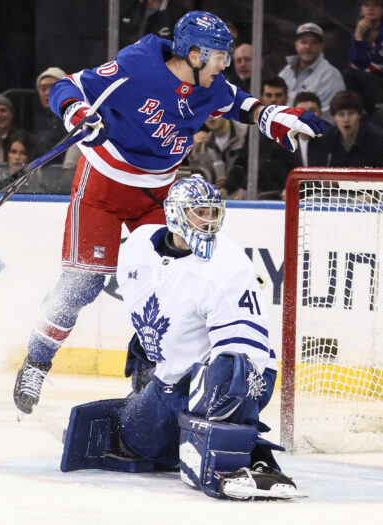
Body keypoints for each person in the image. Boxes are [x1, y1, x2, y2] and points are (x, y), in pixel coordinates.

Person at [12, 11, 325, 414]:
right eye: (219, 57)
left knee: (167, 286)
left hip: (158, 192)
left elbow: (238, 103)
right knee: (82, 284)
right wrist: (79, 114)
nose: (224, 66)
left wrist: (273, 118)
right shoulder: (137, 65)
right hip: (104, 184)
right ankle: (37, 359)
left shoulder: (208, 85)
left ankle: (148, 375)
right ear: (194, 55)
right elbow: (66, 86)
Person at [60, 175, 301, 500]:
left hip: (241, 379)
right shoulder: (138, 246)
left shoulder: (229, 266)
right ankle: (161, 434)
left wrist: (225, 432)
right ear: (174, 213)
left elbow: (249, 360)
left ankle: (249, 458)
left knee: (227, 372)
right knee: (134, 432)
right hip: (171, 381)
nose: (208, 221)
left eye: (214, 213)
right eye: (199, 212)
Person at [220, 78, 303, 200]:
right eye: (268, 95)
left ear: (286, 98)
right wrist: (226, 187)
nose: (273, 99)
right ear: (262, 98)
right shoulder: (255, 128)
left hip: (285, 195)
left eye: (278, 95)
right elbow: (243, 161)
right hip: (259, 193)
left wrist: (245, 187)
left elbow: (273, 161)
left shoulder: (294, 127)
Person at [278, 22, 346, 121]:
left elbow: (326, 116)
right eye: (303, 42)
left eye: (313, 43)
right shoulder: (286, 71)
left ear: (322, 46)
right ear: (296, 44)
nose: (308, 46)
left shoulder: (331, 75)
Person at [308, 90, 383, 168]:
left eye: (351, 113)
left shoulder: (377, 138)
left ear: (359, 115)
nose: (346, 119)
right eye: (341, 114)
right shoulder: (326, 138)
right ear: (334, 118)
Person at [343, 0, 383, 115]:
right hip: (366, 78)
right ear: (361, 9)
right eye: (366, 5)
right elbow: (357, 62)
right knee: (348, 74)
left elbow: (381, 62)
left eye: (375, 5)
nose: (370, 9)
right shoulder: (360, 29)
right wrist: (359, 36)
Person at [188, 115, 248, 187]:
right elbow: (199, 182)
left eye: (215, 111)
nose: (210, 116)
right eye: (207, 112)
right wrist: (196, 152)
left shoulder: (246, 133)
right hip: (221, 194)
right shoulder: (203, 143)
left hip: (248, 192)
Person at [33, 67, 68, 166]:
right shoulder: (36, 120)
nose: (47, 93)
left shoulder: (73, 117)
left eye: (52, 87)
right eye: (43, 88)